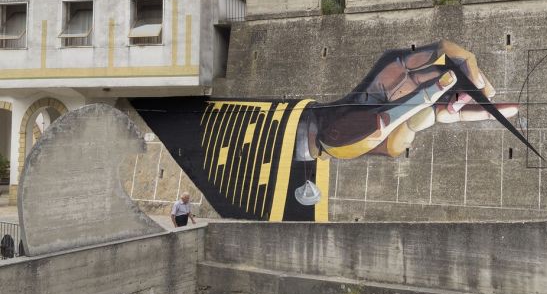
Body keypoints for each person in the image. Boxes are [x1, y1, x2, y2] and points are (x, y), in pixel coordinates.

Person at [134, 40, 521, 222]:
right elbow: (377, 124)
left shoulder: (346, 133)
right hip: (313, 131)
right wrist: (421, 100)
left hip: (316, 136)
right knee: (370, 129)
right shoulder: (342, 129)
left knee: (384, 130)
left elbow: (385, 135)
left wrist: (419, 107)